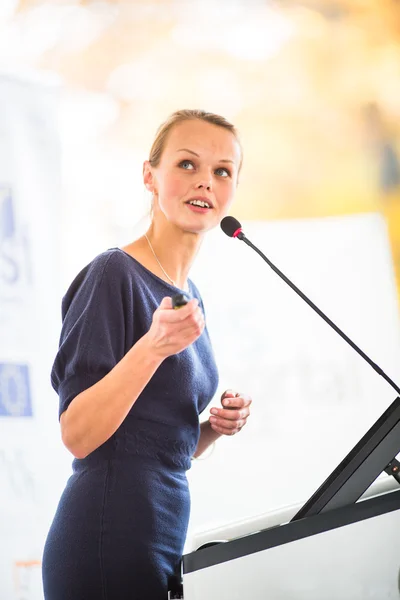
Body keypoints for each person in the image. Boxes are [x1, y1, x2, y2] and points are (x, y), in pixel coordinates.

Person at [41, 109, 253, 600]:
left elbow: (155, 443)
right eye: (187, 164)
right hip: (108, 533)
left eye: (222, 171)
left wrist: (210, 429)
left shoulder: (190, 293)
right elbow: (78, 434)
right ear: (149, 176)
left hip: (161, 532)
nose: (205, 182)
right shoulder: (112, 273)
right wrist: (153, 348)